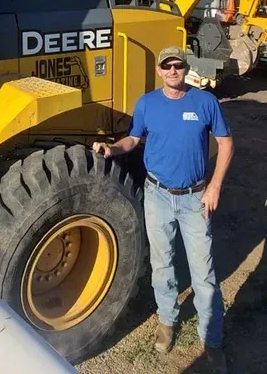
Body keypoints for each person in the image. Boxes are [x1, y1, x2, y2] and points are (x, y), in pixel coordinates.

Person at [93, 46, 234, 374]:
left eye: (178, 65)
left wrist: (214, 186)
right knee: (162, 264)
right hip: (157, 196)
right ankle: (168, 321)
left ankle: (211, 341)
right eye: (166, 65)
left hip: (194, 198)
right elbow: (133, 139)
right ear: (159, 70)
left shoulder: (204, 102)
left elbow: (226, 143)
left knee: (204, 274)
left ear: (186, 68)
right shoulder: (147, 104)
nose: (173, 70)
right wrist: (112, 148)